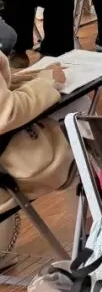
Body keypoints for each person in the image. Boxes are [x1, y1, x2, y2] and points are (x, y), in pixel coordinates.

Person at [0, 38, 75, 259]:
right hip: (9, 170)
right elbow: (6, 113)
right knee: (81, 128)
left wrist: (29, 77)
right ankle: (99, 235)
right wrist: (46, 83)